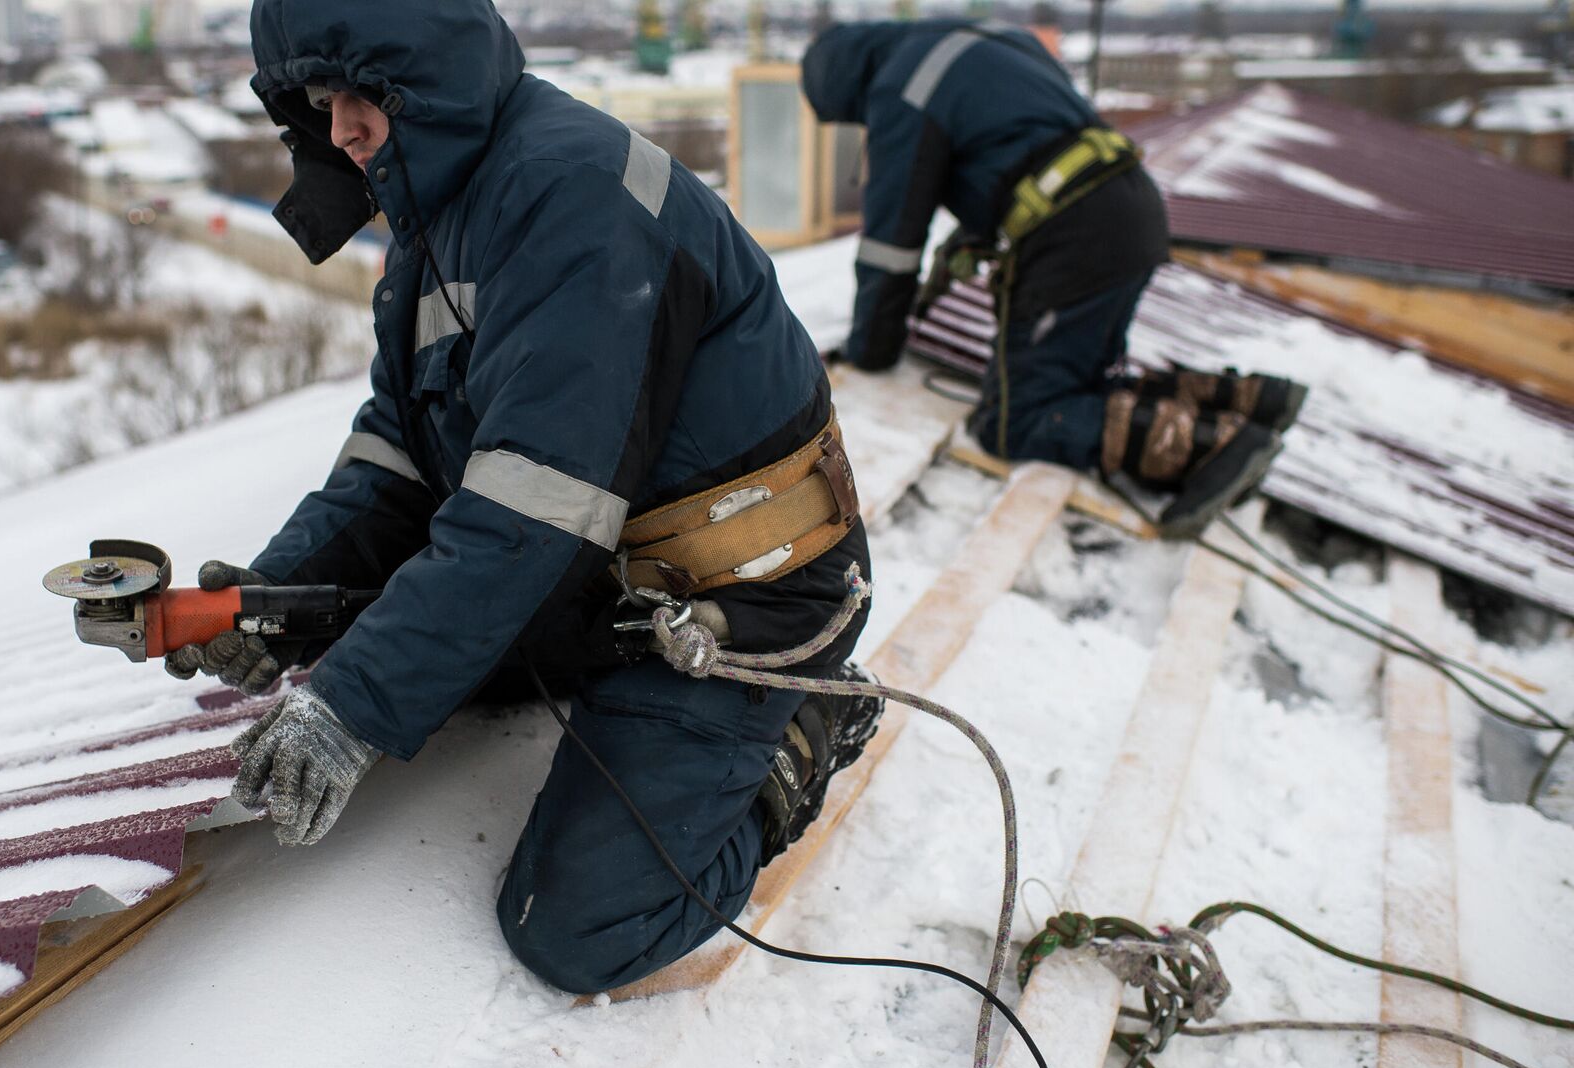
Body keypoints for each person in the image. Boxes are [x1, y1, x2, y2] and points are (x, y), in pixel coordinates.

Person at [164, 0, 880, 996]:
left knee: (578, 927)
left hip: (743, 594)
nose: (344, 129)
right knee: (408, 647)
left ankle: (800, 739)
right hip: (601, 576)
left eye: (367, 92)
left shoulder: (569, 196)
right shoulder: (442, 210)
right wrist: (282, 597)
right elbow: (402, 458)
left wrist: (354, 704)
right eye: (320, 103)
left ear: (436, 73)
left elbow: (529, 509)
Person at [802, 20, 1306, 538]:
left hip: (1075, 234)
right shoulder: (985, 41)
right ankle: (1249, 402)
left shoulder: (900, 91)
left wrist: (871, 352)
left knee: (1011, 422)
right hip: (1129, 204)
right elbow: (1020, 141)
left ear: (846, 88)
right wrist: (977, 228)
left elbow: (891, 249)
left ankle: (1215, 448)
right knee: (1080, 384)